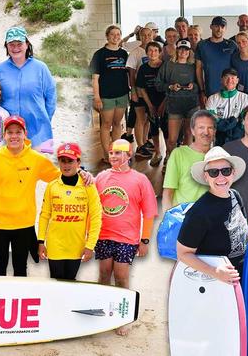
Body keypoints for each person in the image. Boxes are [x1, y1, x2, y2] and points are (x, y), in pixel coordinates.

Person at [0, 116, 93, 276]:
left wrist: (81, 172)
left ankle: (19, 300)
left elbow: (59, 174)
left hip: (23, 224)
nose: (14, 136)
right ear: (4, 135)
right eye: (10, 132)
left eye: (18, 132)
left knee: (20, 268)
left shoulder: (36, 159)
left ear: (25, 134)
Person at [95, 139, 157, 335]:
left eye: (118, 153)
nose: (113, 156)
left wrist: (144, 240)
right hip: (103, 235)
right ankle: (102, 310)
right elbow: (92, 205)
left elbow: (149, 212)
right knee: (104, 274)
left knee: (121, 276)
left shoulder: (140, 180)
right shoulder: (102, 177)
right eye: (111, 152)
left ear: (129, 156)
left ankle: (123, 316)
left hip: (127, 238)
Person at [176, 146, 248, 281]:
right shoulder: (199, 212)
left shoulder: (236, 196)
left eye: (225, 171)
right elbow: (183, 254)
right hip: (215, 285)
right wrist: (215, 272)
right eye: (213, 172)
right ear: (206, 176)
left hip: (243, 277)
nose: (221, 177)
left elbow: (245, 231)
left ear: (233, 172)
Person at [38, 143, 102, 280]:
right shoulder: (52, 186)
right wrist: (40, 242)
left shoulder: (88, 186)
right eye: (63, 161)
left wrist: (90, 245)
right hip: (55, 247)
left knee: (70, 284)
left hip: (76, 247)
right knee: (56, 283)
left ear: (78, 162)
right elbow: (44, 215)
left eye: (70, 161)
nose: (66, 165)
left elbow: (96, 217)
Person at [0, 26, 57, 153]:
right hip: (10, 133)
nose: (15, 48)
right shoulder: (0, 69)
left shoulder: (41, 68)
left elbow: (51, 97)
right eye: (11, 44)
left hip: (39, 132)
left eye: (19, 44)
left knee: (39, 170)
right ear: (6, 46)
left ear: (27, 44)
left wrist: (44, 119)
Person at [162, 110, 216, 212]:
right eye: (201, 128)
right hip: (183, 218)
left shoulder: (218, 156)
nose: (206, 132)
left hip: (210, 219)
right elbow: (168, 192)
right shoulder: (179, 154)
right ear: (192, 131)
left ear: (215, 131)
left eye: (210, 128)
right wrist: (169, 221)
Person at [90, 25, 129, 162]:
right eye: (112, 34)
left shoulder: (124, 54)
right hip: (106, 96)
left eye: (118, 34)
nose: (115, 37)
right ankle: (107, 155)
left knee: (118, 123)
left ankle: (116, 152)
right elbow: (95, 79)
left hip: (122, 94)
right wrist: (97, 98)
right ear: (107, 36)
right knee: (106, 124)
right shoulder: (99, 54)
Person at [155, 39, 199, 153]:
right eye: (181, 49)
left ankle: (185, 162)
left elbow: (200, 85)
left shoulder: (194, 66)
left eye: (186, 50)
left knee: (188, 134)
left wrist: (193, 86)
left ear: (189, 52)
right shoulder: (168, 65)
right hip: (174, 105)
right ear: (177, 50)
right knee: (172, 139)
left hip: (191, 104)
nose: (183, 52)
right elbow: (158, 84)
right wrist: (170, 87)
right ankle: (171, 161)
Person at [195, 16, 238, 108]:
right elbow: (198, 69)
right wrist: (202, 91)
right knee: (210, 120)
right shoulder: (202, 45)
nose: (219, 29)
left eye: (222, 27)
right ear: (211, 27)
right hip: (210, 91)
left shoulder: (231, 45)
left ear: (225, 28)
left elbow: (238, 67)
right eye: (216, 26)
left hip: (229, 92)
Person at [136, 41, 167, 166]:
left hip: (165, 102)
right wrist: (150, 105)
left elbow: (169, 87)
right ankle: (158, 152)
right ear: (147, 52)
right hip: (151, 102)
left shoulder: (165, 66)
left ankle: (168, 155)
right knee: (154, 128)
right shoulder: (143, 68)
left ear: (159, 53)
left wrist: (163, 105)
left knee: (166, 129)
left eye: (155, 50)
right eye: (150, 50)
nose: (152, 53)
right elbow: (142, 89)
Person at [126, 26, 154, 159]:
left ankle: (145, 141)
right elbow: (131, 73)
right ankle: (140, 145)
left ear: (153, 35)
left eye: (149, 35)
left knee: (147, 119)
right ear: (139, 36)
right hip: (139, 90)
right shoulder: (135, 52)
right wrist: (134, 91)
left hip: (151, 91)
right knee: (140, 119)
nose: (146, 37)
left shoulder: (154, 50)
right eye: (144, 35)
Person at [205, 68, 248, 146]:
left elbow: (244, 121)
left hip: (238, 138)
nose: (230, 80)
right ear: (221, 80)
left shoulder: (245, 98)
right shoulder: (212, 99)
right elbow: (211, 121)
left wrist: (227, 123)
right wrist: (234, 121)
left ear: (237, 80)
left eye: (233, 78)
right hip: (219, 138)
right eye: (227, 77)